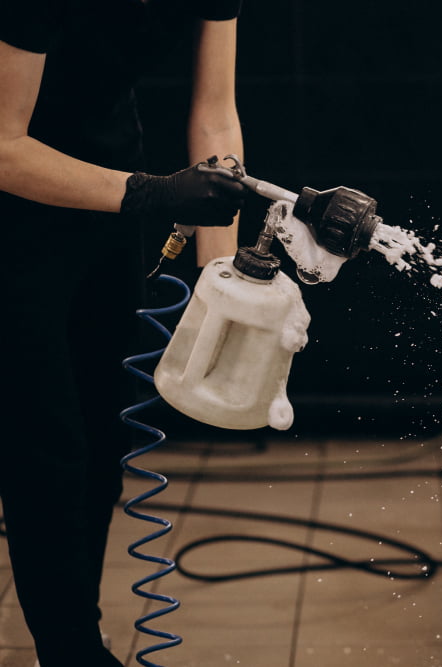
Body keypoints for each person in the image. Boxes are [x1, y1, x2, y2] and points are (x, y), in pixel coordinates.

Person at [0, 2, 246, 665]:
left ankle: (80, 630)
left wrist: (223, 284)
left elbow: (216, 112)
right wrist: (154, 195)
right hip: (15, 216)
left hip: (111, 194)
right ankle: (72, 649)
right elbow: (3, 146)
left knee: (104, 438)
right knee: (45, 451)